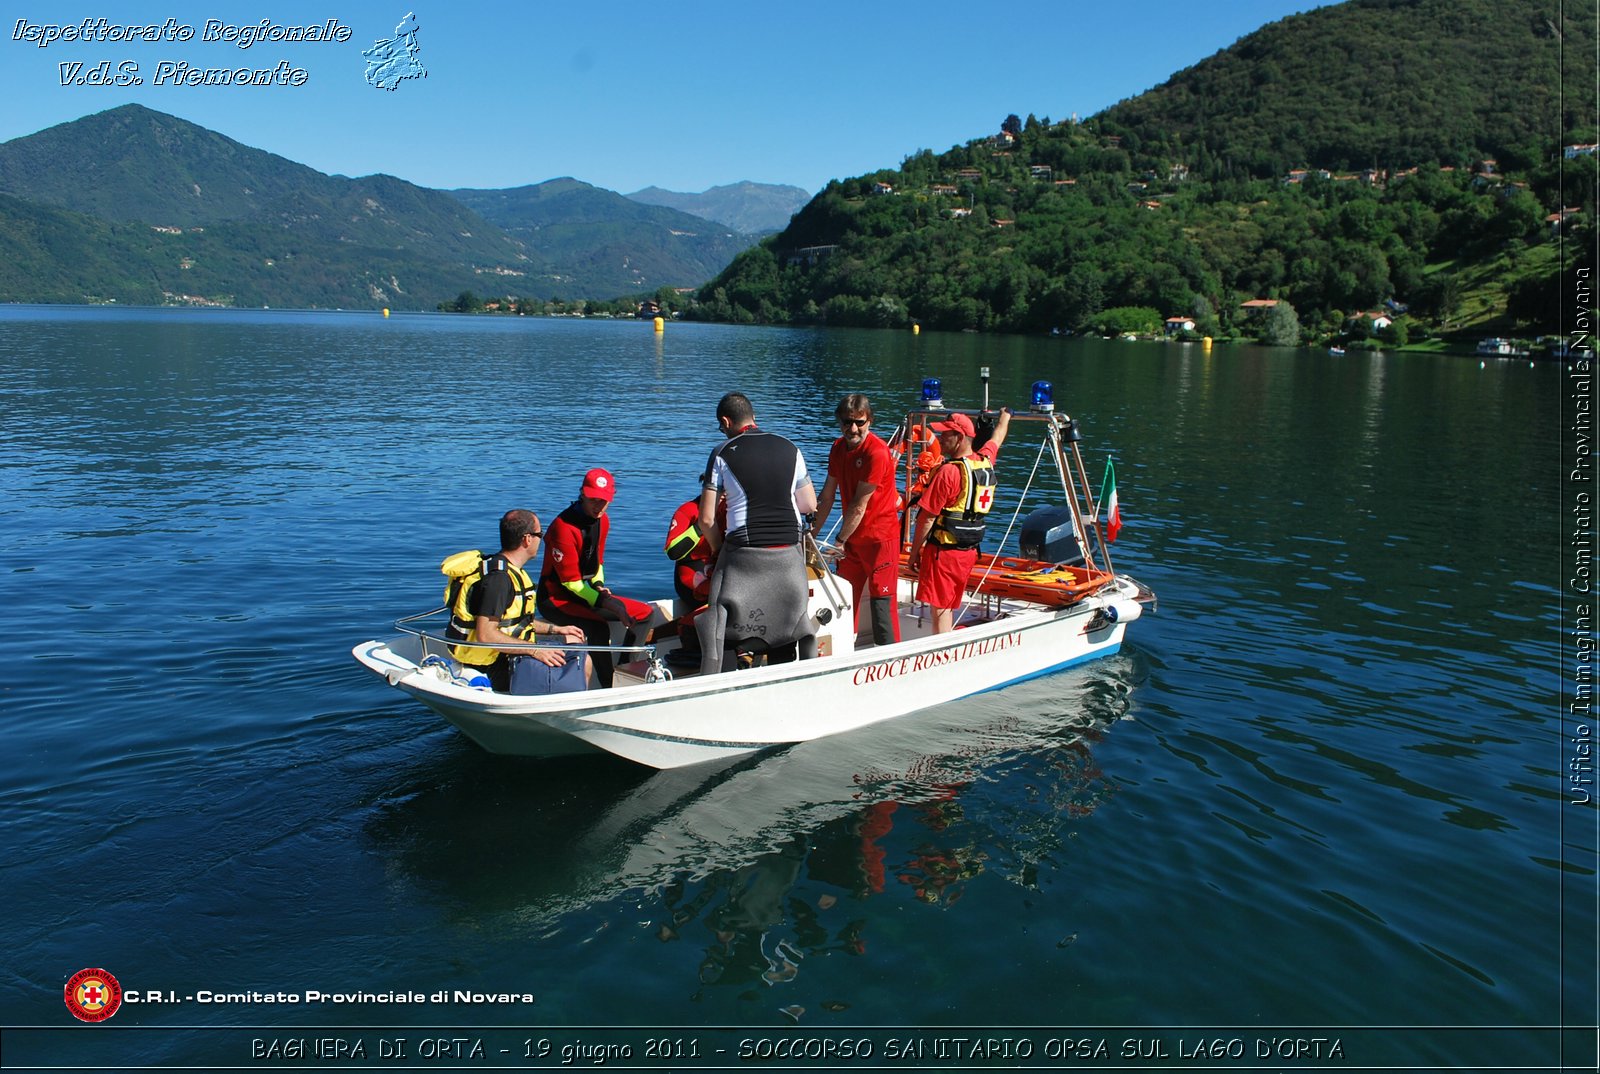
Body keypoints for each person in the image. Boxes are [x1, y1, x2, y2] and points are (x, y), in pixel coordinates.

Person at [696, 391, 818, 674]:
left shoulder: (721, 452)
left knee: (720, 627)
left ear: (726, 422)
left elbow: (706, 518)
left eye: (721, 427)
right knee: (786, 628)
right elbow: (808, 504)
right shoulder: (790, 448)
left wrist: (717, 550)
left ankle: (717, 682)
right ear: (753, 417)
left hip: (743, 559)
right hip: (788, 559)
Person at [445, 509, 589, 692]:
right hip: (498, 666)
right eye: (540, 535)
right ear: (527, 539)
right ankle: (567, 711)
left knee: (572, 638)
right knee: (584, 661)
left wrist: (556, 629)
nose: (541, 540)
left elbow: (512, 622)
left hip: (507, 653)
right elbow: (486, 634)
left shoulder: (502, 568)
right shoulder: (499, 580)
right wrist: (535, 650)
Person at [536, 468, 656, 688]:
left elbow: (597, 563)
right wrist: (608, 603)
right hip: (556, 599)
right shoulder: (563, 528)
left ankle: (626, 667)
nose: (598, 505)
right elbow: (570, 582)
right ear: (582, 493)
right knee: (599, 628)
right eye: (593, 499)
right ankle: (609, 684)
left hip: (586, 592)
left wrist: (600, 586)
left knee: (645, 614)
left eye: (604, 500)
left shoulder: (603, 520)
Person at [907, 409, 1013, 634]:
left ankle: (941, 654)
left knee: (941, 610)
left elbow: (927, 519)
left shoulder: (948, 472)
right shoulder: (985, 461)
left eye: (947, 434)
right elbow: (996, 439)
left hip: (943, 553)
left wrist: (914, 553)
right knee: (949, 604)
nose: (942, 438)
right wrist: (1005, 417)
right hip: (968, 551)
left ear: (961, 438)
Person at [811, 393, 902, 645]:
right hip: (852, 540)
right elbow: (827, 496)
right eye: (847, 422)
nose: (853, 428)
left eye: (859, 422)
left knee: (882, 601)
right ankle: (842, 650)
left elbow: (859, 505)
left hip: (879, 540)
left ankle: (890, 657)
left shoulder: (877, 453)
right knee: (842, 598)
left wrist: (839, 540)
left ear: (869, 421)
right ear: (839, 422)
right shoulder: (838, 448)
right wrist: (811, 536)